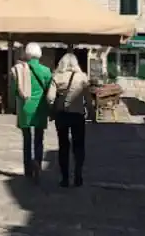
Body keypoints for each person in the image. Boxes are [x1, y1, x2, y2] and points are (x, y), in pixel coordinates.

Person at [46, 51, 90, 187]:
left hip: (62, 115)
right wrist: (92, 114)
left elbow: (50, 97)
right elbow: (87, 99)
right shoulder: (82, 77)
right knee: (79, 146)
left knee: (63, 146)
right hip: (78, 115)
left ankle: (65, 178)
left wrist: (53, 108)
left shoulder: (57, 77)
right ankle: (78, 176)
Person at [10, 43, 51, 181]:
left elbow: (14, 90)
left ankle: (27, 169)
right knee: (39, 139)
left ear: (26, 54)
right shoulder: (46, 71)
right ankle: (38, 164)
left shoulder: (20, 70)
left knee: (26, 140)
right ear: (39, 54)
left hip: (25, 108)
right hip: (40, 108)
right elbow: (50, 90)